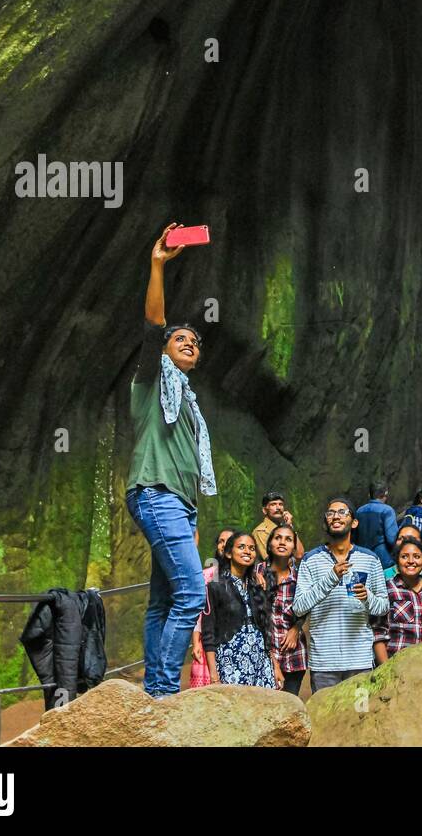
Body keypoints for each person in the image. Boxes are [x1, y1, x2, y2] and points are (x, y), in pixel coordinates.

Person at [126, 223, 213, 698]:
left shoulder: (191, 405)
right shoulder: (149, 381)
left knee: (163, 601)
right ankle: (162, 689)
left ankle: (153, 688)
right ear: (164, 351)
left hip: (177, 503)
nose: (189, 344)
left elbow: (191, 467)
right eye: (181, 339)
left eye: (196, 343)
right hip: (154, 494)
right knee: (192, 595)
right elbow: (153, 324)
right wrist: (158, 263)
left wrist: (193, 517)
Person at [290, 497, 388, 691]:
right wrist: (331, 578)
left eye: (342, 512)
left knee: (361, 715)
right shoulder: (311, 560)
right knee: (324, 720)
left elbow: (383, 607)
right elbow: (299, 607)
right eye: (331, 513)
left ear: (354, 522)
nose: (336, 516)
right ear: (326, 522)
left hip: (360, 661)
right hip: (324, 664)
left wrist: (367, 597)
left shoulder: (370, 559)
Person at [202, 533, 277, 688]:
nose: (247, 551)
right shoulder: (215, 587)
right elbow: (208, 634)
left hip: (261, 663)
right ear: (229, 553)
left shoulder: (257, 586)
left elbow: (266, 629)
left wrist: (275, 666)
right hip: (231, 661)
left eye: (252, 548)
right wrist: (214, 676)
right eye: (241, 547)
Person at [372, 538, 422, 662]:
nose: (411, 561)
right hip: (395, 667)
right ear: (397, 561)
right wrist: (385, 672)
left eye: (417, 556)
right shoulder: (387, 589)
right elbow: (378, 633)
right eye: (404, 556)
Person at [260, 524, 307, 696]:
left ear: (294, 547)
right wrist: (271, 659)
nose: (282, 542)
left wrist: (296, 628)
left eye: (288, 539)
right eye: (277, 538)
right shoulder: (257, 573)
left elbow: (308, 605)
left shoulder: (301, 576)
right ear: (270, 543)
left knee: (289, 705)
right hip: (263, 652)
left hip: (293, 654)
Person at [188, 526, 237, 689]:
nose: (224, 545)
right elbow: (199, 612)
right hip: (209, 641)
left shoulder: (247, 575)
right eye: (221, 541)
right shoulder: (207, 575)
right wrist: (195, 642)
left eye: (228, 541)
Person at [353, 482, 399, 570]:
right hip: (383, 560)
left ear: (369, 495)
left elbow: (354, 537)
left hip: (363, 559)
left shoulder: (359, 511)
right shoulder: (387, 510)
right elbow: (392, 538)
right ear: (385, 494)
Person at [252, 491, 305, 562]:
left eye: (281, 504)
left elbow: (299, 554)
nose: (278, 508)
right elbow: (272, 561)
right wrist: (292, 560)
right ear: (265, 510)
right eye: (273, 504)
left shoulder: (286, 528)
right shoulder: (260, 531)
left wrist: (290, 527)